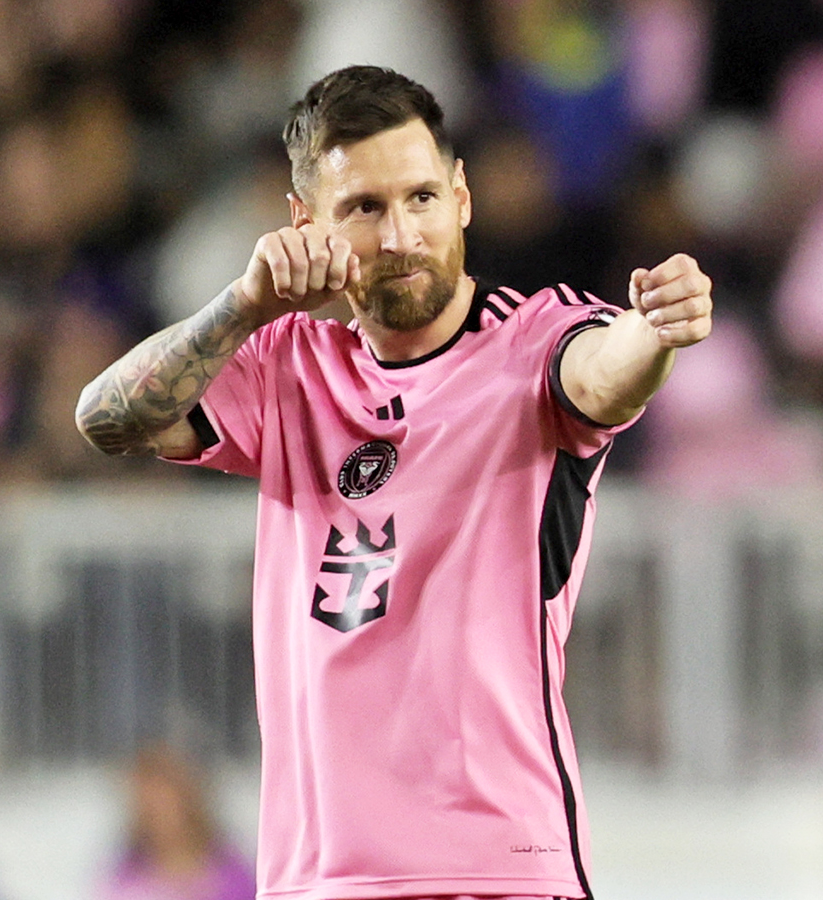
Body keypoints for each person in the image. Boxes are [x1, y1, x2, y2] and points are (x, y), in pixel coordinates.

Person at [74, 65, 713, 900]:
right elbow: (105, 418)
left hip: (495, 873)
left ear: (462, 198)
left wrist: (656, 331)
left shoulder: (534, 337)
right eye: (365, 209)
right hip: (316, 880)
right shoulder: (285, 362)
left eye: (421, 198)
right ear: (307, 225)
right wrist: (241, 306)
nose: (403, 233)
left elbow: (602, 375)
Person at [99, 744, 256, 900]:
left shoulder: (231, 874)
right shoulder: (124, 876)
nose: (158, 815)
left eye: (164, 803)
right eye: (148, 807)